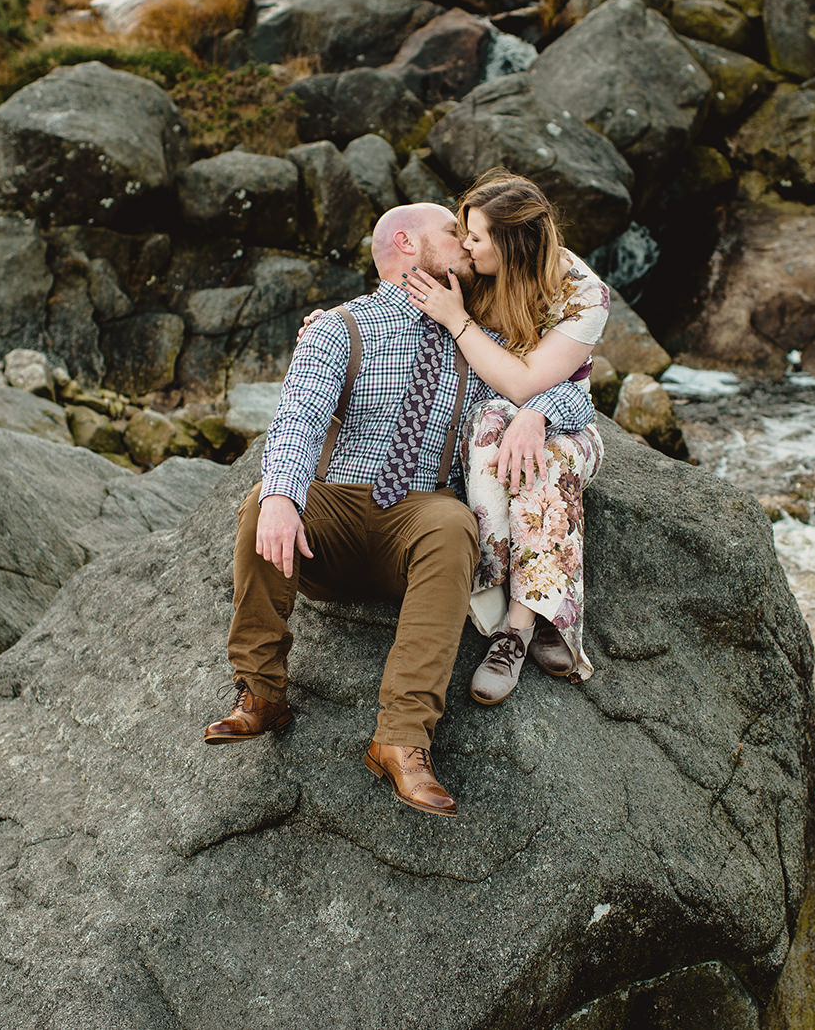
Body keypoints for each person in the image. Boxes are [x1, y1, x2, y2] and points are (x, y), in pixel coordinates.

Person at [203, 201, 596, 818]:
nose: (467, 244)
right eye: (452, 233)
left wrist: (536, 412)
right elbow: (297, 419)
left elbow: (576, 398)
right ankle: (261, 694)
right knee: (261, 504)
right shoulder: (337, 328)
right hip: (332, 518)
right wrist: (282, 495)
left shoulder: (486, 339)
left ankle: (402, 740)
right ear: (407, 245)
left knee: (451, 524)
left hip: (416, 520)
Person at [399, 172, 610, 706]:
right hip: (492, 423)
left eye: (476, 237)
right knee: (495, 424)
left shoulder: (585, 295)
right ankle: (522, 609)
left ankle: (513, 631)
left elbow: (528, 383)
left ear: (513, 246)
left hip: (566, 423)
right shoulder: (478, 270)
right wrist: (330, 324)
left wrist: (535, 412)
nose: (465, 246)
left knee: (543, 453)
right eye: (464, 234)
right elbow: (399, 290)